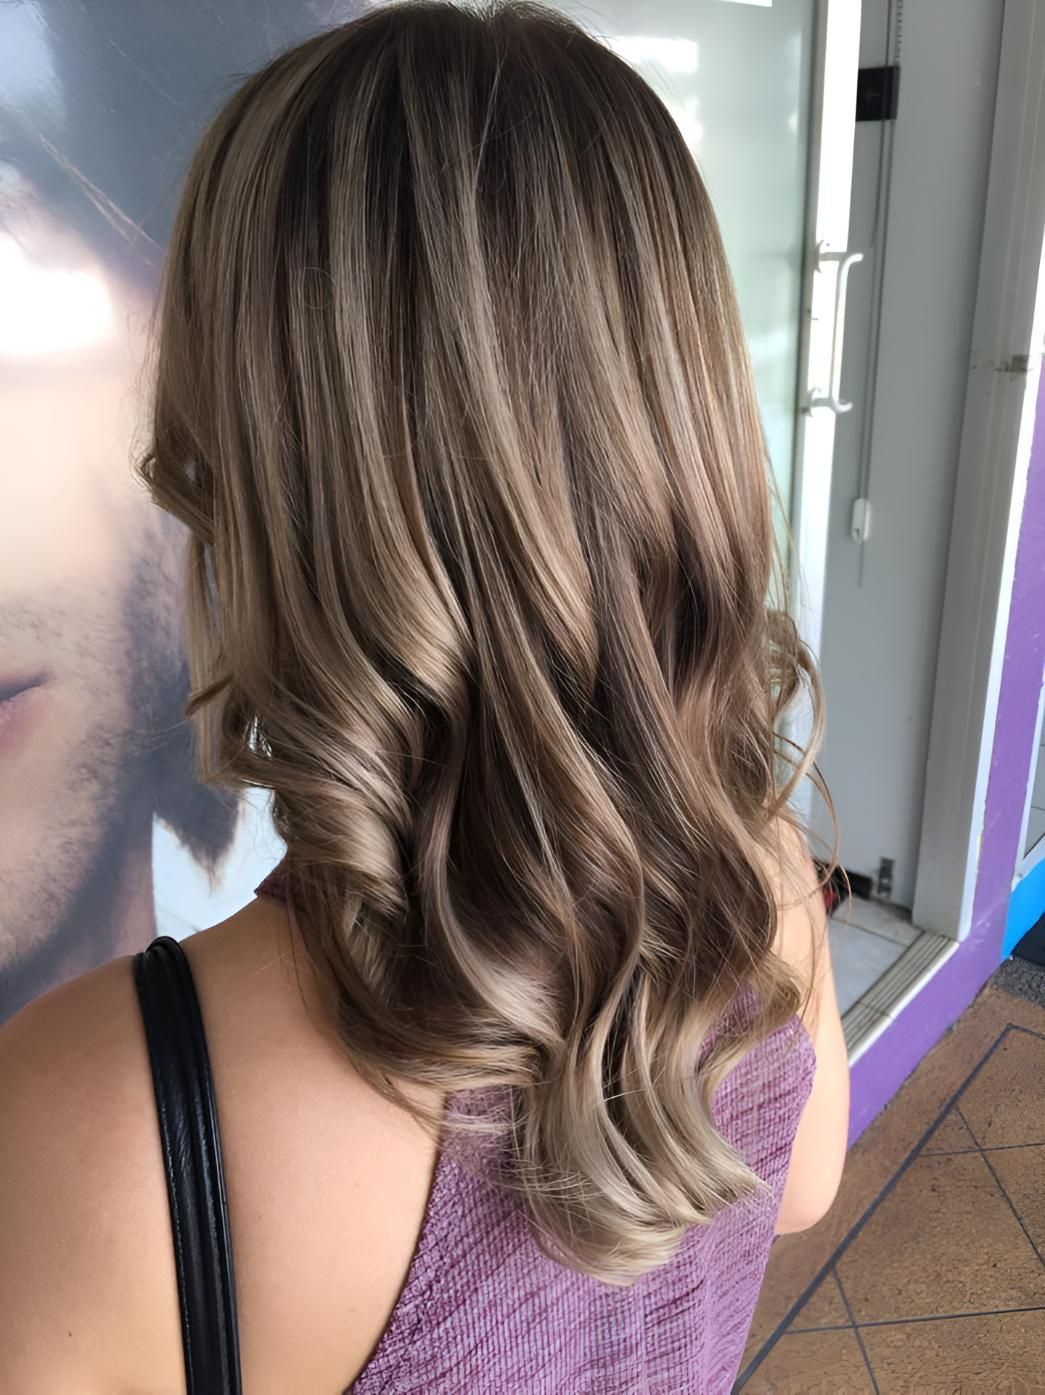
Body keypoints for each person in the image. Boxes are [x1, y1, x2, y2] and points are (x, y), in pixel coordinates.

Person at [0, 4, 849, 1391]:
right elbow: (797, 1186)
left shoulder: (105, 1113)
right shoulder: (753, 871)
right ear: (680, 417)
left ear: (242, 449)